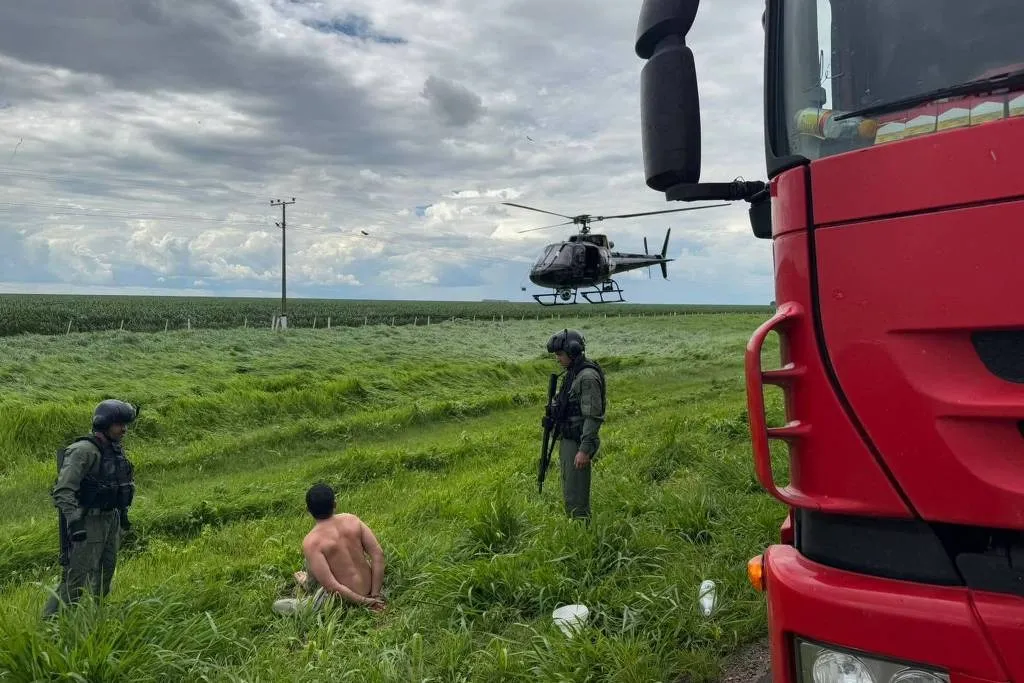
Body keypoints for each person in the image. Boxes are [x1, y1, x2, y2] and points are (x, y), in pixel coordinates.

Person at [43, 399, 137, 618]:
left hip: (110, 520)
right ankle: (50, 627)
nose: (124, 429)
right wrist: (74, 522)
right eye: (119, 424)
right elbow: (63, 490)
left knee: (106, 574)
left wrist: (122, 516)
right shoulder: (83, 451)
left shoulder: (113, 449)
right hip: (88, 522)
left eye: (125, 424)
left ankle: (97, 617)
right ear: (104, 424)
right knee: (75, 580)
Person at [274, 483, 387, 615]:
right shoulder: (352, 520)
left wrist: (364, 602)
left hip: (342, 600)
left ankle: (308, 584)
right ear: (335, 504)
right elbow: (378, 554)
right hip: (369, 586)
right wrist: (375, 595)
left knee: (277, 606)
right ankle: (308, 582)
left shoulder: (311, 542)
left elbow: (332, 587)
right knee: (312, 560)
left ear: (308, 510)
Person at [546, 329, 606, 520]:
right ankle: (576, 526)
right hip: (569, 438)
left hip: (578, 440)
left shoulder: (586, 377)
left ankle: (582, 533)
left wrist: (584, 450)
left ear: (572, 351)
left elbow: (593, 416)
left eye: (560, 354)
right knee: (569, 487)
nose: (558, 358)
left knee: (576, 494)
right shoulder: (573, 373)